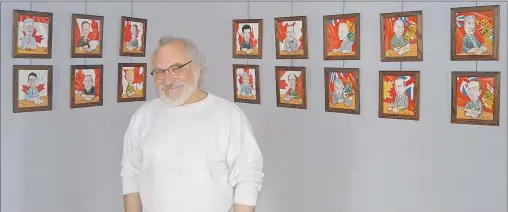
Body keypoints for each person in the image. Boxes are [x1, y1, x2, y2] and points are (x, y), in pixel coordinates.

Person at [120, 35, 264, 212]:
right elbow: (131, 174)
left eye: (176, 68)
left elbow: (248, 177)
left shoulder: (228, 115)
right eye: (159, 72)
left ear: (197, 68)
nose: (167, 80)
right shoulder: (143, 116)